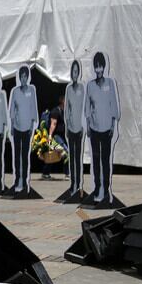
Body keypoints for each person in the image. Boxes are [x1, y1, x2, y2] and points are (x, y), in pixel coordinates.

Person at [84, 52, 120, 205]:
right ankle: (97, 187)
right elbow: (87, 107)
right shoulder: (90, 85)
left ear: (104, 67)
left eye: (100, 66)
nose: (98, 69)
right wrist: (88, 126)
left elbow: (113, 104)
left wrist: (113, 126)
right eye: (96, 66)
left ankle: (105, 189)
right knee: (96, 159)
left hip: (107, 128)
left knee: (105, 160)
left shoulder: (110, 83)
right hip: (94, 127)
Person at [9, 65, 38, 193]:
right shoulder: (15, 91)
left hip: (27, 128)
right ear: (19, 78)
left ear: (28, 77)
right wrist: (11, 126)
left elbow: (33, 107)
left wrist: (32, 126)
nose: (23, 78)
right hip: (17, 127)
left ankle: (25, 180)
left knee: (25, 156)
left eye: (25, 76)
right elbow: (12, 109)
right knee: (17, 155)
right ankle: (17, 179)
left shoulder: (31, 90)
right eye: (22, 76)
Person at [64, 60, 85, 198]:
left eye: (77, 71)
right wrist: (67, 126)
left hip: (80, 127)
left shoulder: (83, 88)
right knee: (72, 158)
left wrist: (84, 125)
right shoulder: (68, 89)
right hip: (71, 127)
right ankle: (73, 184)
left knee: (78, 157)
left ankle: (78, 184)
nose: (75, 74)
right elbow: (67, 109)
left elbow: (84, 107)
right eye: (73, 71)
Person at [43, 95, 67, 180]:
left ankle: (46, 173)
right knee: (66, 153)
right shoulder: (55, 111)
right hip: (56, 137)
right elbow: (53, 124)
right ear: (62, 101)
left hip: (63, 137)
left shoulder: (65, 111)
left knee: (54, 155)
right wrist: (50, 136)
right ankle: (68, 174)